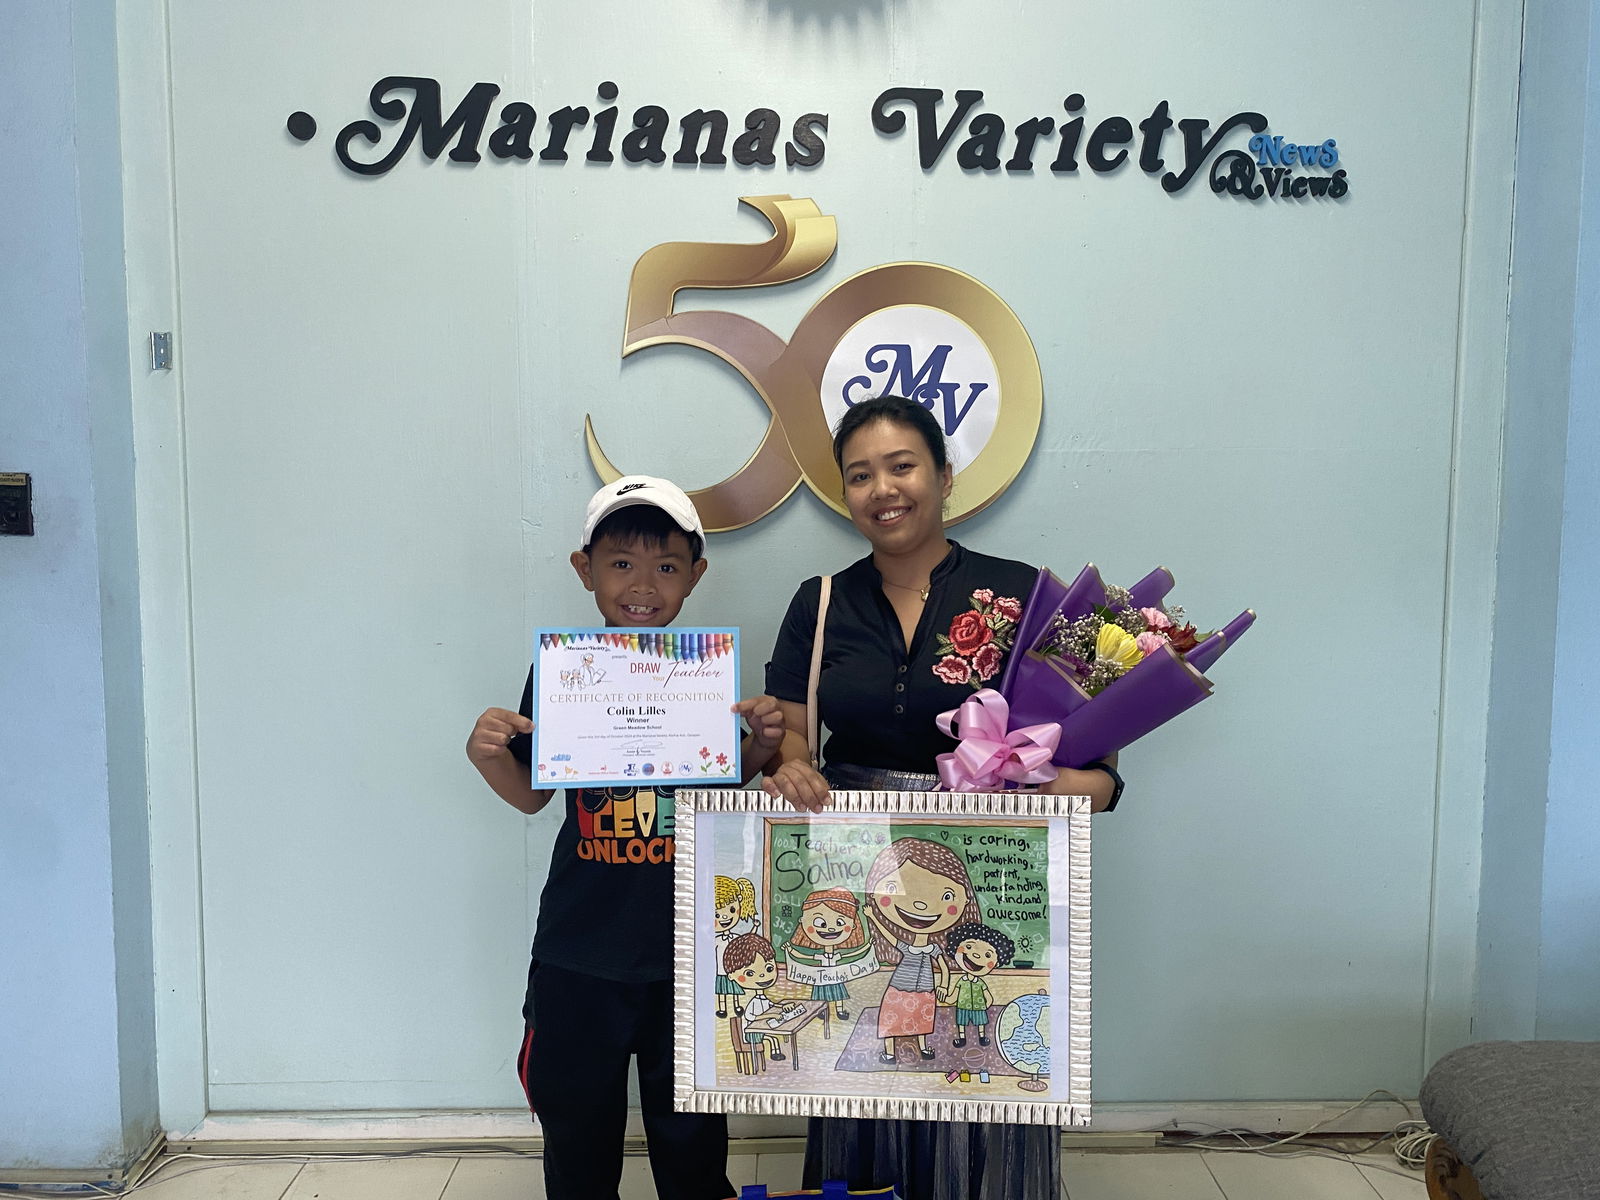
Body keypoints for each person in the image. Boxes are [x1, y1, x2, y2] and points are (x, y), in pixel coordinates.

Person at [761, 396, 1124, 1200]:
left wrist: (1039, 782)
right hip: (862, 875)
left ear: (944, 476)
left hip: (993, 869)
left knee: (979, 1063)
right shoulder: (819, 602)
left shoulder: (1022, 594)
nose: (882, 489)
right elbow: (791, 738)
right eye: (860, 475)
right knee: (867, 1060)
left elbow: (1100, 774)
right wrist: (789, 767)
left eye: (902, 466)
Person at [466, 475, 786, 1200]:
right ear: (584, 569)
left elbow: (725, 793)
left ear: (694, 577)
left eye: (667, 566)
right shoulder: (560, 675)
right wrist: (488, 756)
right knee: (578, 1140)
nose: (643, 584)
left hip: (690, 951)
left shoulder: (704, 683)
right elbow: (531, 794)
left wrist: (763, 744)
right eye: (621, 563)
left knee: (693, 1145)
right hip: (580, 952)